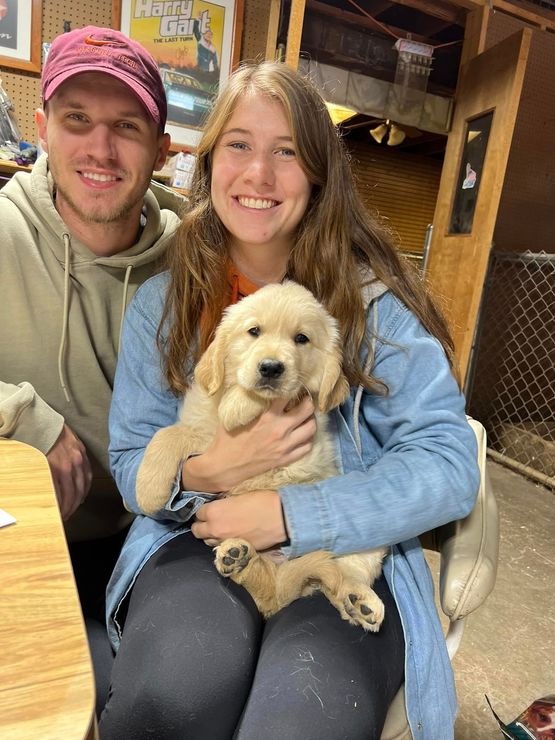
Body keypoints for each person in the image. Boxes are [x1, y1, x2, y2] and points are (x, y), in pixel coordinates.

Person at [102, 62, 480, 739]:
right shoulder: (163, 306)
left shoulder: (376, 309)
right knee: (174, 693)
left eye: (286, 152)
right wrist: (204, 474)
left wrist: (290, 512)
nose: (259, 174)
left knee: (299, 717)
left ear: (317, 174)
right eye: (240, 145)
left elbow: (448, 464)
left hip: (339, 551)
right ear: (209, 160)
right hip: (197, 536)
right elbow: (134, 464)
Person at [0, 26, 181, 715]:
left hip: (151, 550)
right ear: (43, 128)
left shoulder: (197, 259)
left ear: (161, 149)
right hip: (24, 545)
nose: (100, 149)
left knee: (144, 706)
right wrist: (24, 416)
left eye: (126, 126)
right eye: (78, 119)